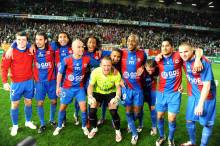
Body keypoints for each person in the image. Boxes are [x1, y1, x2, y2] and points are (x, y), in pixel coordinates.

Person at [155, 38, 203, 146]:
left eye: (167, 45)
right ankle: (162, 136)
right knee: (159, 116)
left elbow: (198, 50)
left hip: (175, 93)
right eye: (162, 46)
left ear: (172, 47)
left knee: (171, 118)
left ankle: (170, 138)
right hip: (161, 93)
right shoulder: (158, 59)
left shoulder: (178, 55)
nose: (164, 48)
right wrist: (157, 57)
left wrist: (198, 59)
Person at [178, 42, 216, 146]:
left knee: (207, 124)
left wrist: (200, 105)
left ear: (192, 51)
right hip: (193, 95)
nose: (183, 54)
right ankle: (193, 143)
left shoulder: (204, 62)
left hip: (207, 96)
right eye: (181, 52)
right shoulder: (183, 59)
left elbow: (207, 86)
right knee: (189, 120)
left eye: (186, 51)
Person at [1, 31, 36, 136]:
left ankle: (28, 121)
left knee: (28, 102)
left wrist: (31, 45)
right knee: (15, 104)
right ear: (15, 40)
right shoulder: (10, 52)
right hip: (16, 83)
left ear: (27, 40)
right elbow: (4, 68)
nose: (21, 42)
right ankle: (15, 125)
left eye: (24, 39)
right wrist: (4, 82)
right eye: (19, 39)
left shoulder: (31, 50)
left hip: (29, 82)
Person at [53, 39, 90, 136]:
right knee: (62, 108)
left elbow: (101, 63)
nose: (81, 48)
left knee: (83, 108)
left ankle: (84, 126)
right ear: (72, 48)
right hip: (67, 88)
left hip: (79, 89)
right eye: (78, 47)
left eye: (82, 46)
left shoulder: (87, 59)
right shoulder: (66, 59)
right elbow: (59, 74)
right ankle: (59, 126)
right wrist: (58, 87)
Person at [87, 56, 122, 142]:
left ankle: (118, 131)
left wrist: (117, 97)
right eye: (104, 65)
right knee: (91, 111)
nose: (106, 68)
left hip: (111, 92)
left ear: (111, 65)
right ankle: (94, 128)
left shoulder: (116, 73)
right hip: (98, 92)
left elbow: (118, 88)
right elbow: (90, 86)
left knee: (113, 112)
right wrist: (90, 96)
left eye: (109, 65)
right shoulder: (95, 72)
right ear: (100, 65)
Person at [120, 33, 146, 145]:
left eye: (133, 40)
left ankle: (135, 122)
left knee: (137, 112)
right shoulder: (122, 52)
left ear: (137, 43)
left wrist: (143, 67)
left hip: (138, 89)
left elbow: (147, 64)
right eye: (129, 40)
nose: (130, 42)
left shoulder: (142, 54)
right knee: (128, 112)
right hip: (126, 88)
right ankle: (134, 134)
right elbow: (112, 60)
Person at [33, 32, 57, 133]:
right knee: (40, 103)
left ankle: (51, 120)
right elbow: (18, 43)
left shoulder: (52, 49)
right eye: (36, 39)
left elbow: (64, 43)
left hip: (52, 81)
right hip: (39, 82)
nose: (38, 42)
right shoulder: (33, 51)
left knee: (54, 101)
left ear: (46, 40)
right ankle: (42, 124)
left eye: (40, 39)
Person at [139, 59, 158, 135]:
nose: (150, 72)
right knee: (140, 109)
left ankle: (154, 127)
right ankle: (140, 125)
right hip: (142, 92)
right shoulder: (141, 71)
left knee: (153, 109)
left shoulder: (157, 69)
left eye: (152, 70)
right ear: (145, 66)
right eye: (149, 70)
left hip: (152, 91)